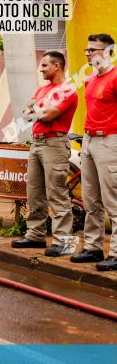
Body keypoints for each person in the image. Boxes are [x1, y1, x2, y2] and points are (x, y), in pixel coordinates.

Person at [11, 51, 78, 256]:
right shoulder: (42, 90)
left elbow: (49, 116)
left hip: (54, 144)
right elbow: (26, 112)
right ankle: (35, 235)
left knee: (57, 193)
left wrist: (37, 110)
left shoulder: (67, 90)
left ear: (57, 66)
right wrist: (39, 109)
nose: (41, 70)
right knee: (34, 192)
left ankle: (63, 242)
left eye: (45, 66)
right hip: (37, 143)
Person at [71, 33, 117, 270]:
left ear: (108, 51)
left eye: (93, 49)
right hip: (89, 140)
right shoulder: (91, 80)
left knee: (114, 201)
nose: (88, 53)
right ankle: (93, 248)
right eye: (87, 49)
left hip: (111, 141)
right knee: (91, 200)